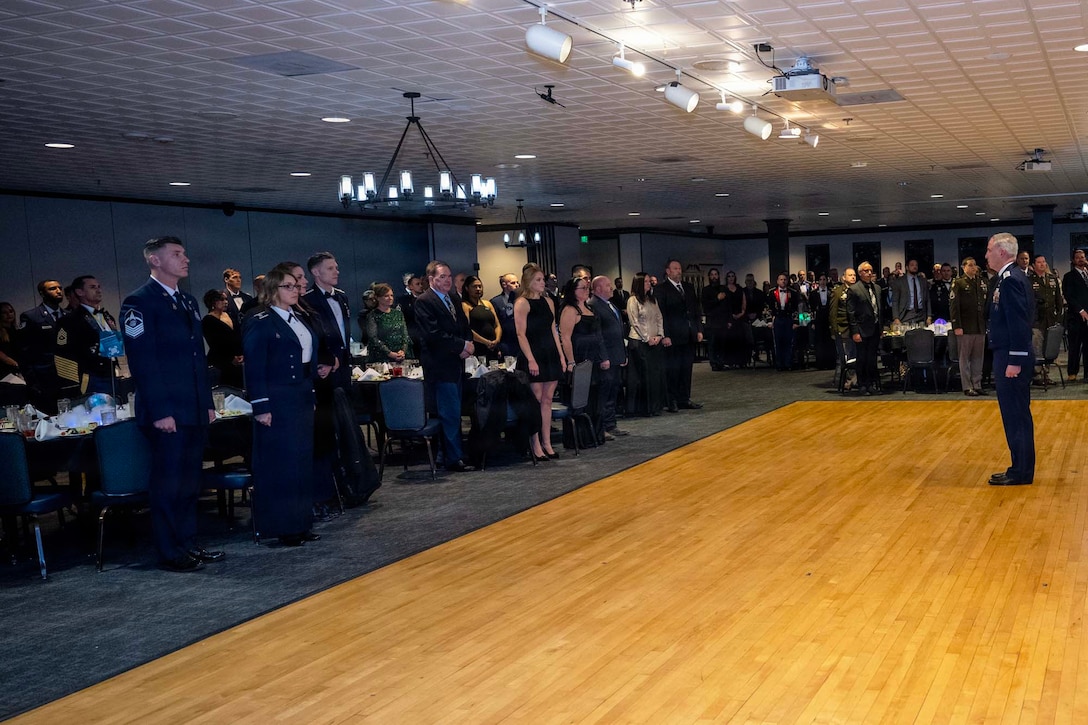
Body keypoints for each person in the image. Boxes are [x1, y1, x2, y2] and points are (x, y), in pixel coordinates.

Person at [120, 236, 222, 572]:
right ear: (155, 260)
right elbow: (143, 363)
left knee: (191, 480)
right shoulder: (139, 302)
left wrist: (206, 401)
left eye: (184, 252)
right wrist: (162, 411)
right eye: (177, 254)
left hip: (192, 407)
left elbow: (198, 359)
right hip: (167, 411)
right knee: (168, 483)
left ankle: (189, 542)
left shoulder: (189, 302)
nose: (186, 259)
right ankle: (169, 550)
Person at [244, 267, 329, 544]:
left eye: (296, 286)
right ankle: (283, 526)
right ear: (272, 290)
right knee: (281, 465)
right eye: (288, 286)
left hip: (301, 395)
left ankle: (300, 521)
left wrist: (311, 393)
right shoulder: (260, 320)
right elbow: (254, 367)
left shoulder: (298, 317)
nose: (295, 290)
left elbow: (307, 360)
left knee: (301, 462)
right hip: (276, 398)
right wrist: (261, 406)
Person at [414, 260, 475, 472]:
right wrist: (460, 346)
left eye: (449, 276)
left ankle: (445, 454)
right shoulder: (424, 301)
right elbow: (433, 335)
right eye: (442, 277)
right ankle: (453, 458)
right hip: (440, 366)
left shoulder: (454, 299)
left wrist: (468, 344)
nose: (447, 280)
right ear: (431, 279)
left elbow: (464, 326)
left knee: (454, 411)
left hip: (457, 364)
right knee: (449, 413)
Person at [984, 232, 1035, 486]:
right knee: (1014, 415)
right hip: (1007, 353)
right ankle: (1019, 466)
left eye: (989, 250)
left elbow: (1019, 323)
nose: (986, 255)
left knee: (1016, 415)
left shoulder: (1011, 280)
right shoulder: (1007, 278)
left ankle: (1021, 472)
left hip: (1011, 356)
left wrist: (1014, 360)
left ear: (1002, 252)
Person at [514, 263, 564, 462]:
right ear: (529, 282)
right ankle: (534, 443)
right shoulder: (522, 303)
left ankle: (547, 442)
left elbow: (553, 330)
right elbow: (520, 333)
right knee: (535, 400)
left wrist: (561, 356)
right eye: (538, 280)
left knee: (548, 400)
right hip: (533, 353)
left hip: (550, 352)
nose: (543, 283)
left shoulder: (548, 302)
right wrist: (531, 359)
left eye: (543, 280)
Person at [54, 275, 124, 396]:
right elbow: (63, 354)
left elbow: (114, 349)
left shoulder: (107, 317)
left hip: (111, 373)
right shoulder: (70, 320)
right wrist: (74, 383)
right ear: (79, 292)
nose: (98, 290)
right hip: (90, 376)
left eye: (99, 287)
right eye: (92, 287)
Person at [655, 260, 702, 412]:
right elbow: (661, 314)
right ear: (667, 271)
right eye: (675, 269)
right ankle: (671, 400)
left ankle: (684, 398)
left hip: (688, 334)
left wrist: (698, 329)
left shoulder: (688, 287)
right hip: (673, 335)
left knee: (686, 368)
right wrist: (665, 335)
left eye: (680, 268)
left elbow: (695, 310)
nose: (679, 271)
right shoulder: (661, 289)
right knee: (673, 369)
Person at [302, 251, 350, 389]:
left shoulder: (342, 297)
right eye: (330, 268)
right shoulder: (307, 300)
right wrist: (324, 360)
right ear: (316, 272)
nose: (336, 272)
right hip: (325, 365)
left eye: (336, 268)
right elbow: (312, 336)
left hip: (345, 362)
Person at [588, 276, 627, 440]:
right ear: (597, 289)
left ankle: (611, 424)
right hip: (605, 357)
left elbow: (618, 330)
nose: (611, 288)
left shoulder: (610, 304)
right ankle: (601, 426)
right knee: (604, 393)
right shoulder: (593, 305)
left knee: (613, 390)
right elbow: (598, 335)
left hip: (616, 354)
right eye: (608, 286)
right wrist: (604, 356)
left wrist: (623, 354)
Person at [17, 279, 65, 407]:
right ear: (42, 293)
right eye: (52, 289)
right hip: (44, 377)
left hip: (68, 374)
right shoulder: (31, 316)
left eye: (60, 288)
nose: (59, 291)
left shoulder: (68, 315)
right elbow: (24, 352)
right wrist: (32, 382)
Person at [625, 272, 666, 416]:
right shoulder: (633, 300)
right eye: (646, 282)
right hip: (639, 342)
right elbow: (635, 322)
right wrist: (647, 337)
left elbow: (659, 318)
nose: (649, 284)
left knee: (655, 375)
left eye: (649, 281)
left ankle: (655, 406)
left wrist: (660, 335)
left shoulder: (652, 300)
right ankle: (644, 408)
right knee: (643, 376)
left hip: (655, 340)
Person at [949, 257, 988, 395]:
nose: (973, 268)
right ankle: (967, 386)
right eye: (970, 265)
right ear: (963, 267)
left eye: (975, 265)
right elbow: (954, 306)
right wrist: (956, 325)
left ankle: (977, 384)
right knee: (965, 357)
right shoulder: (958, 283)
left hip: (979, 325)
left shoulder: (981, 282)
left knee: (978, 357)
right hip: (965, 325)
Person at [846, 262, 882, 395]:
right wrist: (855, 332)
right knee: (862, 358)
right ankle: (862, 385)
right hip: (861, 330)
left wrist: (881, 328)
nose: (869, 273)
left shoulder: (877, 288)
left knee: (872, 358)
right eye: (866, 271)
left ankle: (871, 384)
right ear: (860, 273)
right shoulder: (854, 289)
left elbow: (879, 309)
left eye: (871, 271)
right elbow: (850, 313)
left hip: (875, 328)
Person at [200, 289, 244, 388]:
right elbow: (215, 344)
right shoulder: (208, 321)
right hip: (220, 363)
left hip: (238, 361)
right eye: (221, 299)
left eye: (226, 299)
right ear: (213, 302)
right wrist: (230, 358)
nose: (226, 302)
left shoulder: (230, 315)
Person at [365, 283, 413, 364]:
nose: (390, 298)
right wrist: (389, 353)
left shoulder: (398, 313)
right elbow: (373, 339)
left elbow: (405, 334)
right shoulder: (373, 315)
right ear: (378, 298)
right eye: (386, 296)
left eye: (391, 295)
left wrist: (403, 351)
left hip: (401, 355)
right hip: (382, 358)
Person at [1028, 255, 1062, 366]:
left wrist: (1058, 317)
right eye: (1039, 262)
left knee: (1049, 347)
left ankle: (1046, 374)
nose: (1042, 264)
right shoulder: (1029, 280)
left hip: (1051, 318)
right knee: (1037, 347)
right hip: (1037, 320)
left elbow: (1058, 299)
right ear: (1033, 265)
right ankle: (1038, 375)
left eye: (1044, 262)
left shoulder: (1052, 279)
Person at [1061, 249, 1088, 382]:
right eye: (1078, 258)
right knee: (1075, 347)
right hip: (1076, 318)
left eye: (1082, 257)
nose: (1081, 259)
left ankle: (1087, 375)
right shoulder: (1069, 276)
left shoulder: (1087, 274)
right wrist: (1081, 310)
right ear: (1073, 260)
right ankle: (1072, 372)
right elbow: (1069, 296)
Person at [461, 276, 501, 360]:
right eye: (474, 287)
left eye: (480, 286)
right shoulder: (465, 306)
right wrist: (485, 342)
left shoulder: (487, 303)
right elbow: (466, 328)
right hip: (478, 346)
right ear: (467, 288)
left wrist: (497, 340)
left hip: (493, 346)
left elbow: (497, 325)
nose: (478, 289)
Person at [768, 273, 798, 371]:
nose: (783, 281)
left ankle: (788, 363)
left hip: (788, 319)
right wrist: (769, 320)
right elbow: (768, 308)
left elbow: (796, 308)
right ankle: (779, 364)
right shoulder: (772, 293)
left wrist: (795, 321)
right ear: (777, 281)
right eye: (781, 279)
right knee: (778, 342)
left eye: (785, 279)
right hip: (777, 319)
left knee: (789, 342)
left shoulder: (793, 292)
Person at [891, 259, 931, 327]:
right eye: (912, 265)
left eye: (916, 265)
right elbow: (895, 301)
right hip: (906, 313)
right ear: (907, 267)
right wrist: (896, 318)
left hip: (921, 314)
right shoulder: (899, 282)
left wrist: (929, 316)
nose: (915, 267)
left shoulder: (923, 281)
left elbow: (927, 299)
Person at [701, 269, 727, 370]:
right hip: (712, 322)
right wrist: (717, 299)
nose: (714, 277)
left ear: (719, 276)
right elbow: (706, 306)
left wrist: (728, 320)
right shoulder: (706, 290)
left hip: (722, 321)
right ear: (709, 277)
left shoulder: (723, 288)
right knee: (712, 344)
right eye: (712, 275)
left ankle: (721, 362)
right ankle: (714, 364)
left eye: (716, 274)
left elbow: (727, 306)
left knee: (722, 343)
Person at [490, 273, 520, 358]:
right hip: (506, 342)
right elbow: (495, 324)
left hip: (521, 340)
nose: (517, 285)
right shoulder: (496, 301)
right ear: (504, 285)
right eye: (513, 283)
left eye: (518, 282)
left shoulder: (523, 300)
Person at [0, 302, 21, 377]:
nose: (9, 314)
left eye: (11, 311)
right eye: (4, 313)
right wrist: (15, 364)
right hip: (5, 371)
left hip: (18, 369)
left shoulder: (16, 331)